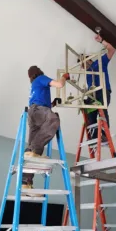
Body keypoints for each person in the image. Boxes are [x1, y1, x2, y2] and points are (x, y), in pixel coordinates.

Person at [21, 65, 69, 195]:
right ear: (39, 72)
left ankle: (26, 183)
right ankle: (31, 149)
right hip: (38, 110)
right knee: (53, 120)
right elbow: (59, 84)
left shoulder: (35, 86)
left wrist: (53, 103)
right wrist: (64, 77)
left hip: (33, 113)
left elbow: (41, 103)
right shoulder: (41, 78)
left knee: (36, 151)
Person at [84, 35, 116, 142]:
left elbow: (111, 50)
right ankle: (94, 138)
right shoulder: (87, 73)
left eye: (84, 61)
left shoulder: (100, 62)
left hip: (102, 91)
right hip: (92, 95)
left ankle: (104, 135)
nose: (83, 65)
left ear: (89, 59)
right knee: (91, 114)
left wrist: (102, 41)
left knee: (102, 110)